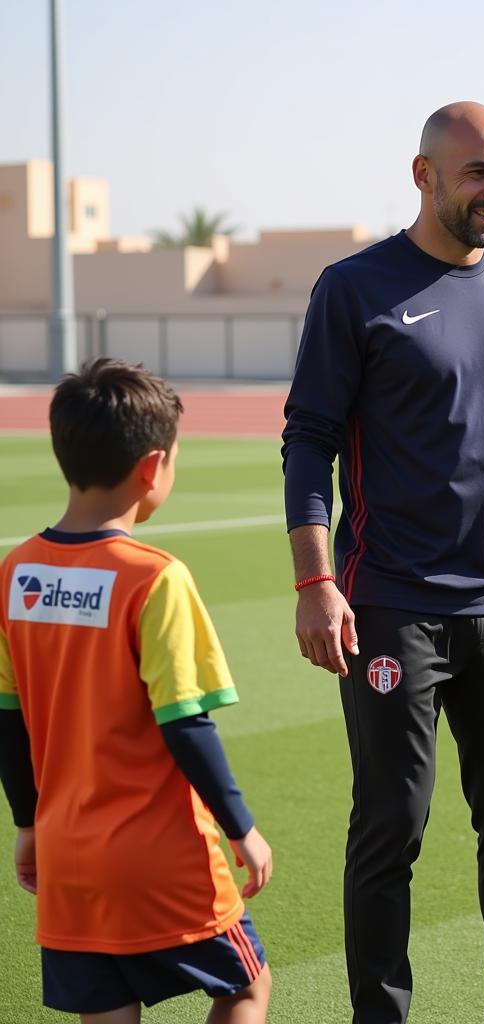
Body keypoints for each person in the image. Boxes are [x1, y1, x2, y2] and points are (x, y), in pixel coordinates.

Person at [281, 101, 484, 1024]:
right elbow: (308, 441)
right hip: (392, 604)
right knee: (392, 829)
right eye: (478, 173)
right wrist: (316, 583)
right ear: (424, 175)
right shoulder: (354, 288)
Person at [0, 358, 272, 1024]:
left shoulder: (16, 572)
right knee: (246, 986)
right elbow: (185, 722)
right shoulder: (155, 577)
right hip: (161, 855)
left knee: (109, 1011)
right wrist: (243, 828)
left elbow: (8, 723)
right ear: (153, 468)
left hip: (68, 856)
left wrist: (29, 826)